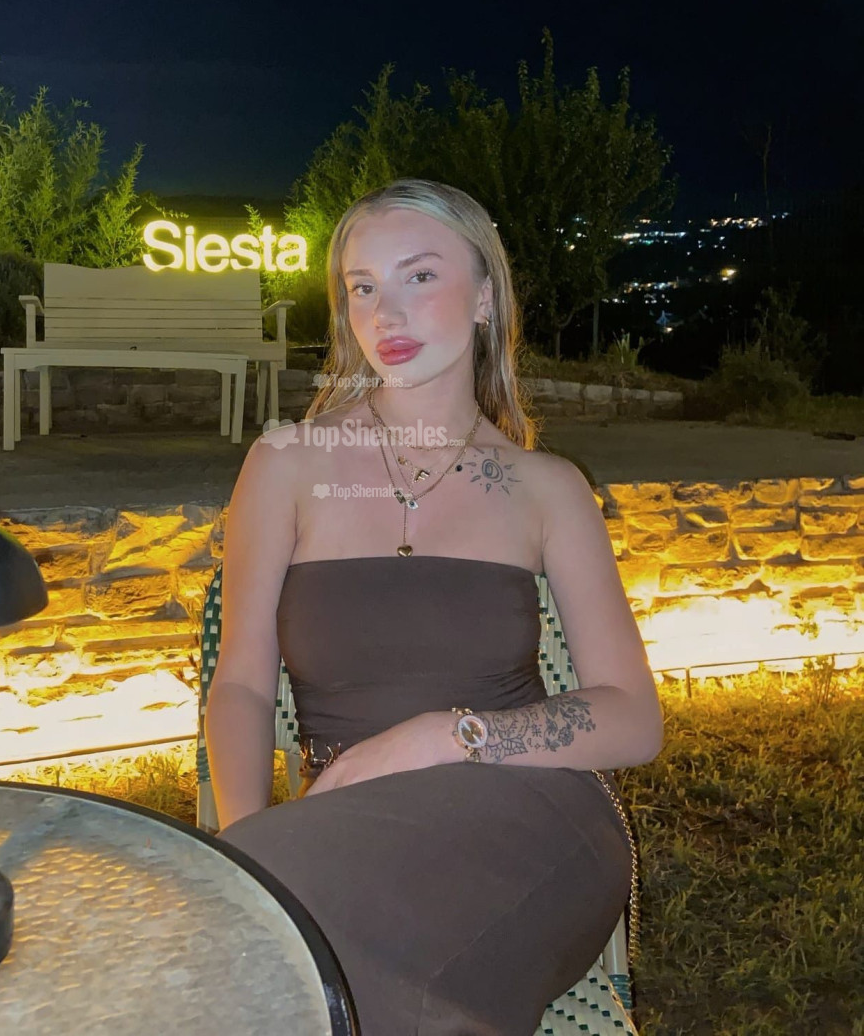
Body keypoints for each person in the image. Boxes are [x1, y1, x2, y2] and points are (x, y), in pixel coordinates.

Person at [205, 179, 664, 1035]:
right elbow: (239, 685)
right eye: (363, 286)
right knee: (256, 950)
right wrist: (251, 853)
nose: (386, 312)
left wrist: (445, 736)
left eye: (419, 276)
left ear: (485, 297)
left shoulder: (547, 488)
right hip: (342, 831)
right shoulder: (286, 464)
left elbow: (634, 720)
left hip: (532, 817)